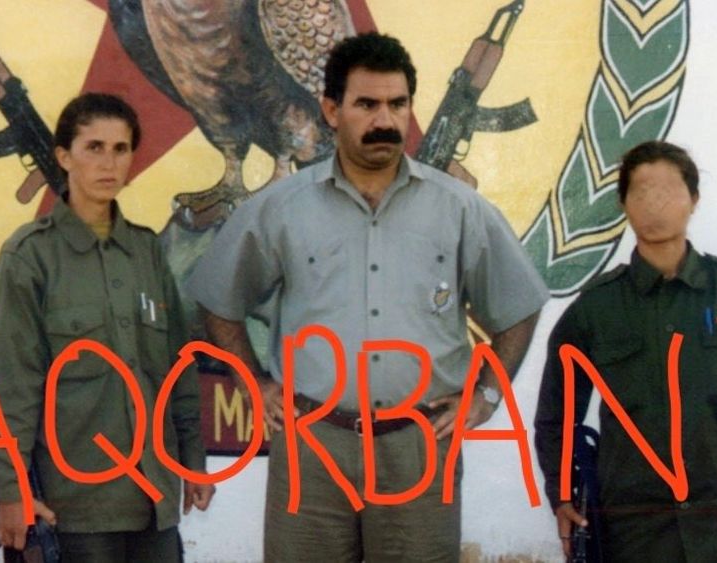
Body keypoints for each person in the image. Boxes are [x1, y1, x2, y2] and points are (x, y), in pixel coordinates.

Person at [187, 32, 549, 561]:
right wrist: (254, 383)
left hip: (419, 448)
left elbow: (519, 306)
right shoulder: (282, 208)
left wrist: (486, 396)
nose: (385, 120)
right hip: (313, 447)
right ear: (332, 110)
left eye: (397, 104)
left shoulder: (459, 209)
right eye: (367, 104)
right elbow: (218, 298)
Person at [534, 141, 717, 561]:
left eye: (667, 191)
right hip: (637, 528)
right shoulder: (595, 307)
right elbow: (557, 414)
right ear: (623, 204)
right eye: (641, 192)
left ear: (693, 199)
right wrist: (562, 494)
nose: (654, 204)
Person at [0, 93, 214, 562]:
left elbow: (177, 370)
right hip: (76, 507)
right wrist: (11, 489)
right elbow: (12, 385)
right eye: (94, 148)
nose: (109, 163)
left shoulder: (147, 252)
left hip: (153, 500)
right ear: (64, 157)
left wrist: (194, 461)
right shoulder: (31, 257)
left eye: (120, 149)